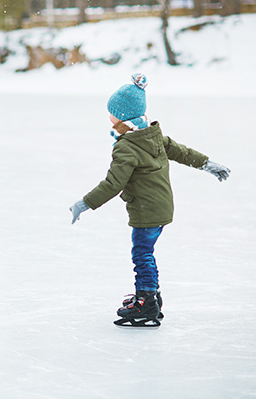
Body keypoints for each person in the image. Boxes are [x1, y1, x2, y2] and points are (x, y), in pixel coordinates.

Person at [69, 73, 230, 327]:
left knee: (142, 253)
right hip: (160, 205)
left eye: (112, 113)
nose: (109, 117)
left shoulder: (127, 146)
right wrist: (208, 164)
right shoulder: (151, 135)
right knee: (146, 253)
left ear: (122, 117)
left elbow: (113, 183)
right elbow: (183, 152)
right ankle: (151, 295)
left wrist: (85, 203)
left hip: (146, 209)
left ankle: (147, 302)